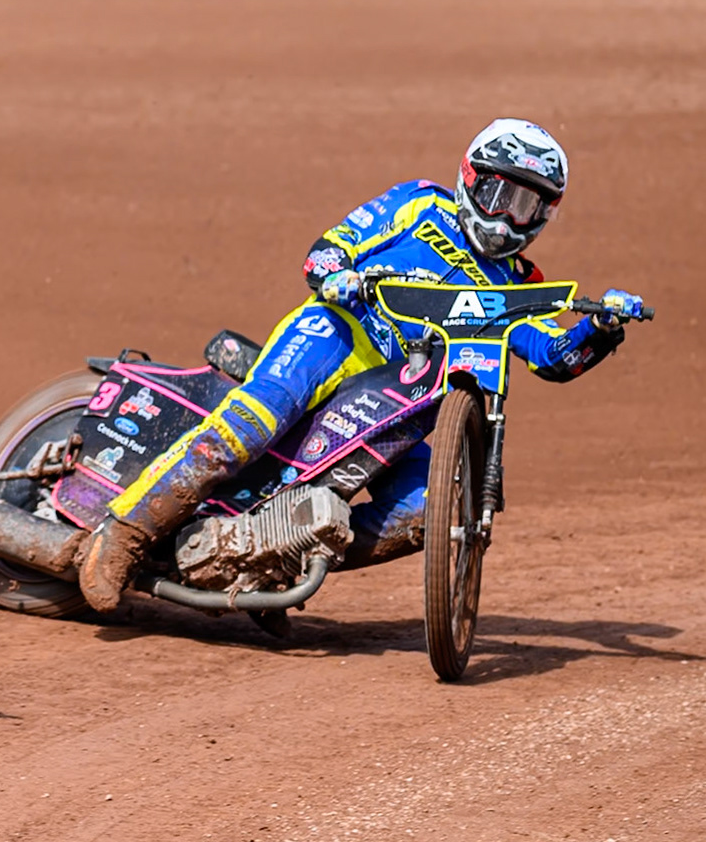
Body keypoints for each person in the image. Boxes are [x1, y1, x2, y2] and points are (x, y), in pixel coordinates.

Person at [77, 118, 648, 612]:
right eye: (499, 195)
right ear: (471, 179)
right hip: (337, 335)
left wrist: (601, 328)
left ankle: (271, 559)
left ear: (546, 213)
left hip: (405, 402)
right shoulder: (420, 203)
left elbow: (552, 358)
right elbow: (330, 245)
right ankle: (122, 534)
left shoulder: (521, 285)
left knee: (435, 509)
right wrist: (335, 273)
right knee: (245, 426)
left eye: (526, 204)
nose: (506, 218)